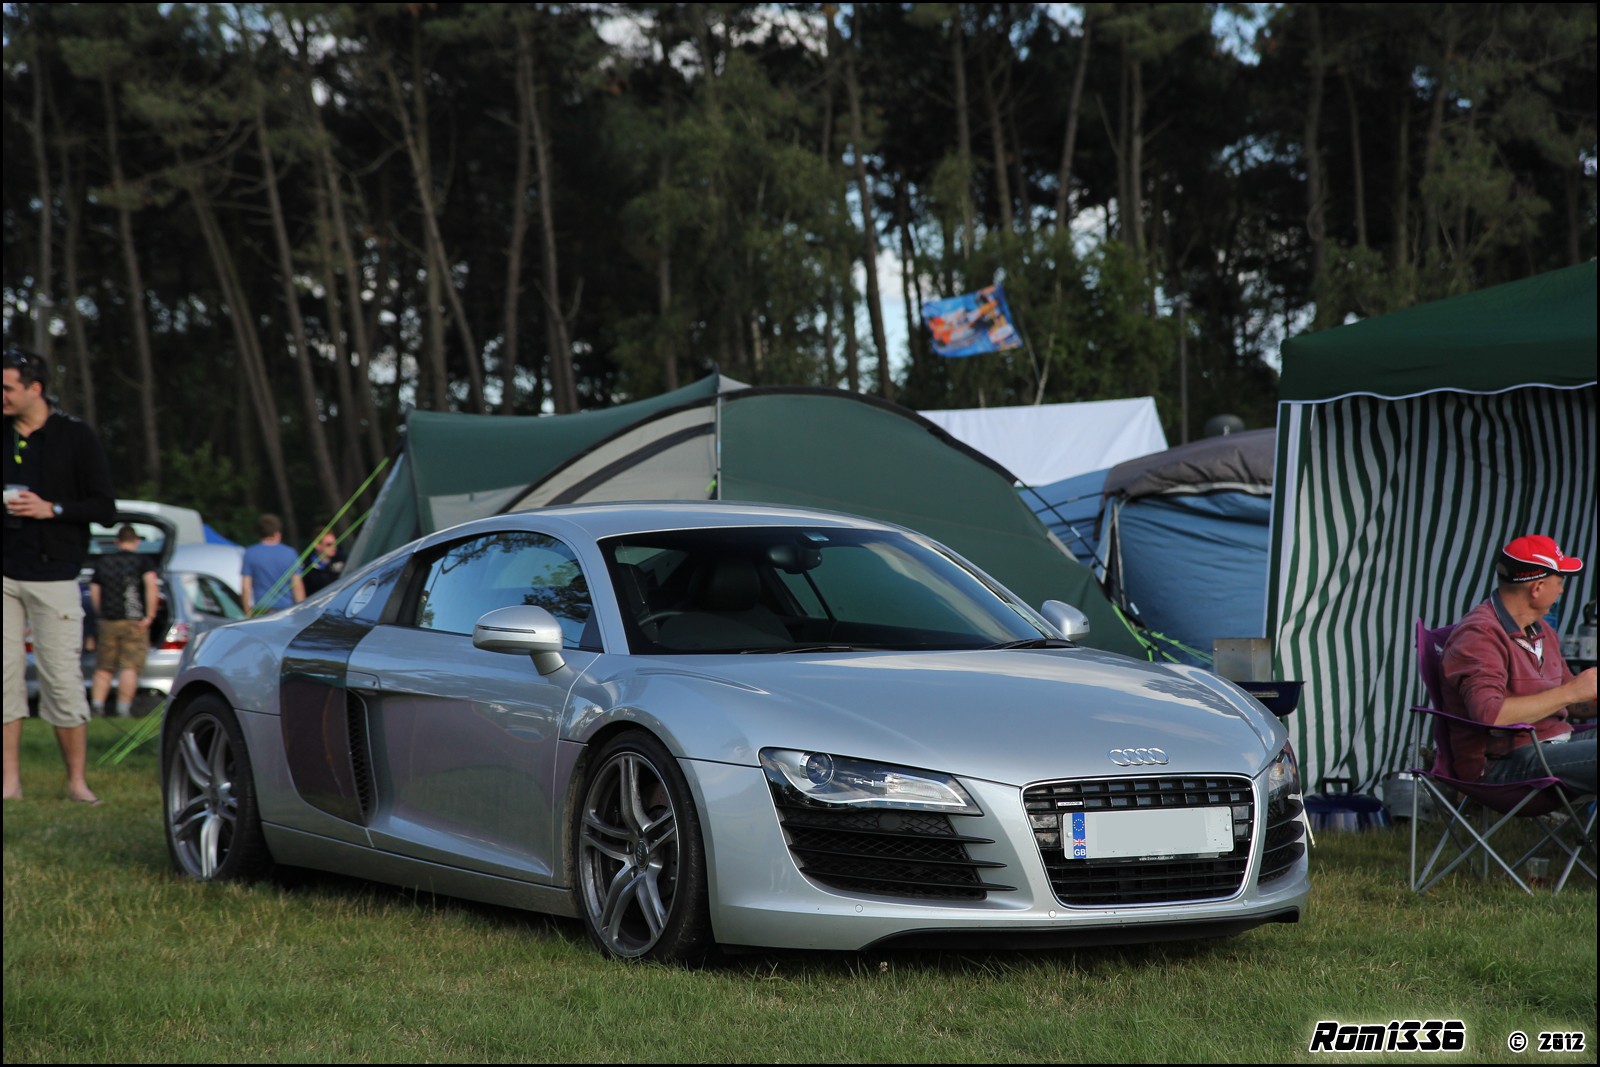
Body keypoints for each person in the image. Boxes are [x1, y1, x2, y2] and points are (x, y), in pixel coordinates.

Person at [3, 346, 116, 804]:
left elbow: (105, 508)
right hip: (3, 573)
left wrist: (53, 509)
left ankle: (76, 783)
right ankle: (8, 783)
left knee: (62, 679)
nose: (1, 396)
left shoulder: (76, 436)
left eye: (7, 388)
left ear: (35, 388)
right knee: (3, 677)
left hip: (56, 575)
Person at [1440, 534, 1597, 795]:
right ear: (1537, 588)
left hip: (1554, 743)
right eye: (1559, 582)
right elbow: (1490, 715)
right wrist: (1571, 691)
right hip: (1503, 763)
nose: (1561, 590)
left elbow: (1572, 704)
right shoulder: (1479, 635)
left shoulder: (1543, 630)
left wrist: (1582, 693)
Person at [89, 523, 159, 717]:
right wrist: (150, 616)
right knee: (129, 667)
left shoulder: (103, 562)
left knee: (104, 666)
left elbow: (95, 591)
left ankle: (97, 706)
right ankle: (123, 709)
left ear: (117, 541)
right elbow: (151, 587)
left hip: (108, 620)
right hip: (134, 620)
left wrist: (101, 614)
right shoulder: (143, 562)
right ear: (136, 541)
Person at [240, 513, 305, 614]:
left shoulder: (250, 553)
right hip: (286, 610)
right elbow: (297, 586)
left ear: (259, 533)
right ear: (277, 532)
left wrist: (247, 610)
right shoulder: (290, 552)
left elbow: (245, 586)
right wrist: (301, 610)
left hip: (262, 611)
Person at [301, 529, 349, 596]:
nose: (334, 547)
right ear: (317, 545)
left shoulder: (343, 559)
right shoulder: (307, 566)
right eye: (328, 544)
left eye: (335, 543)